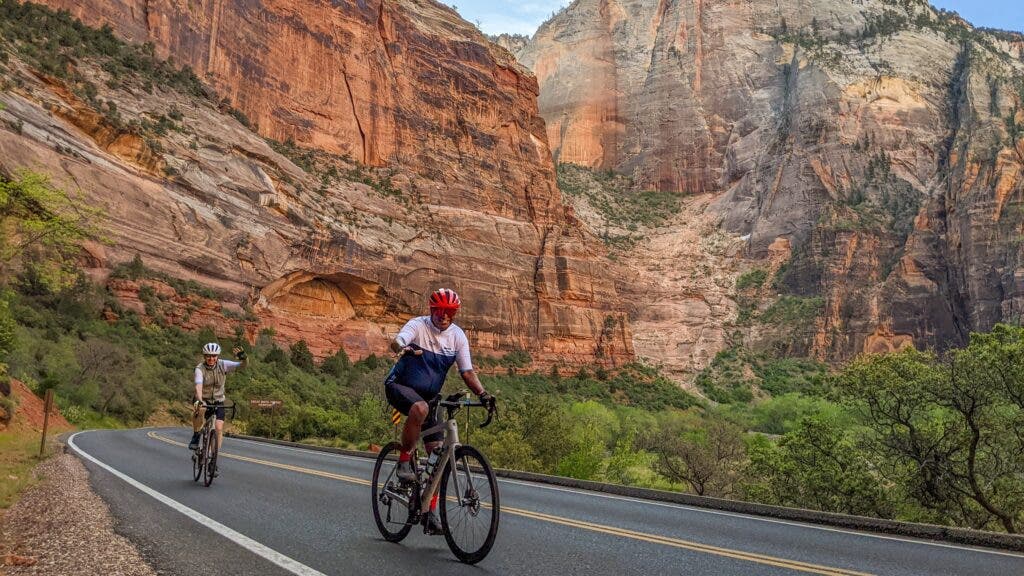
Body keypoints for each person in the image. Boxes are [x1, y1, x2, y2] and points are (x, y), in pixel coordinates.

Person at [385, 287, 495, 535]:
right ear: (431, 310)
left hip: (430, 397)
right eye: (439, 310)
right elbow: (399, 339)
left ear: (454, 314)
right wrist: (401, 346)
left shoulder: (457, 336)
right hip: (399, 386)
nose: (443, 316)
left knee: (439, 459)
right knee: (420, 408)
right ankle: (404, 462)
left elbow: (467, 372)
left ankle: (429, 513)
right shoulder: (418, 325)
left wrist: (483, 394)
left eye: (449, 312)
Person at [189, 342, 247, 452]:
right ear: (204, 356)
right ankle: (196, 436)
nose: (211, 358)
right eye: (208, 356)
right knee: (200, 409)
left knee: (219, 428)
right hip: (202, 399)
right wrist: (200, 400)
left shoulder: (223, 365)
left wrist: (244, 359)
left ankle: (213, 456)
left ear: (217, 356)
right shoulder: (199, 369)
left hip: (218, 401)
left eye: (214, 356)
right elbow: (198, 385)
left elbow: (241, 366)